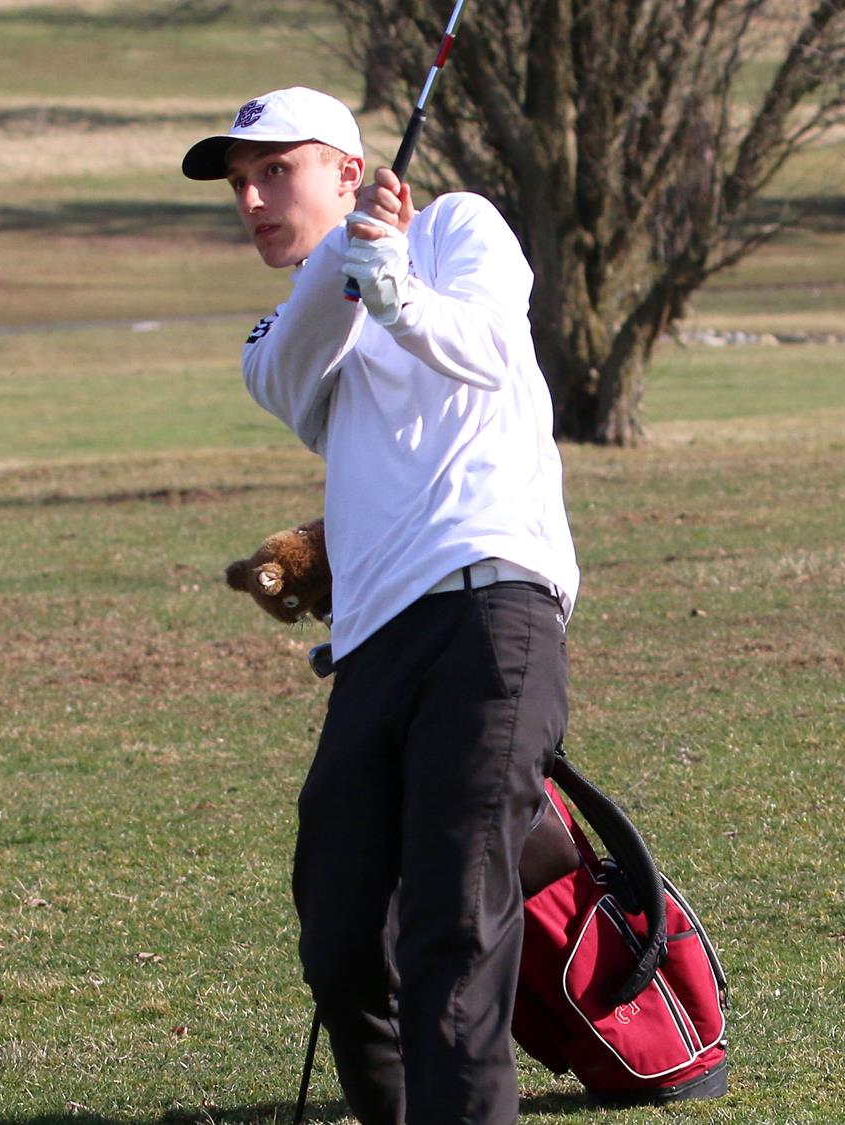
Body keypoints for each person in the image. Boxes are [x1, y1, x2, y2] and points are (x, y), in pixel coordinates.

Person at [183, 87, 578, 1125]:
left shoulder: (458, 228)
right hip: (372, 650)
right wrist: (355, 259)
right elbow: (296, 363)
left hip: (491, 610)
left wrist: (394, 276)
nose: (252, 199)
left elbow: (488, 350)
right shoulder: (281, 335)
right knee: (344, 939)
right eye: (240, 184)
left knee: (452, 934)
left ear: (351, 170)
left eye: (277, 171)